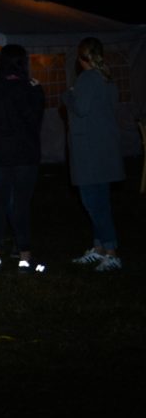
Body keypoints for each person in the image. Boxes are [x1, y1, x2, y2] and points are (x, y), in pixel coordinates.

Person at [0, 44, 45, 271]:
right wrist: (37, 93)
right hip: (24, 153)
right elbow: (36, 120)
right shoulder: (30, 88)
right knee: (21, 204)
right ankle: (24, 254)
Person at [64, 37, 124, 272]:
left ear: (81, 58)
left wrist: (68, 96)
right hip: (104, 148)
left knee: (93, 203)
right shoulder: (107, 78)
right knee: (100, 200)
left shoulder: (88, 78)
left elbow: (81, 108)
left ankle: (111, 252)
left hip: (90, 150)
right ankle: (99, 248)